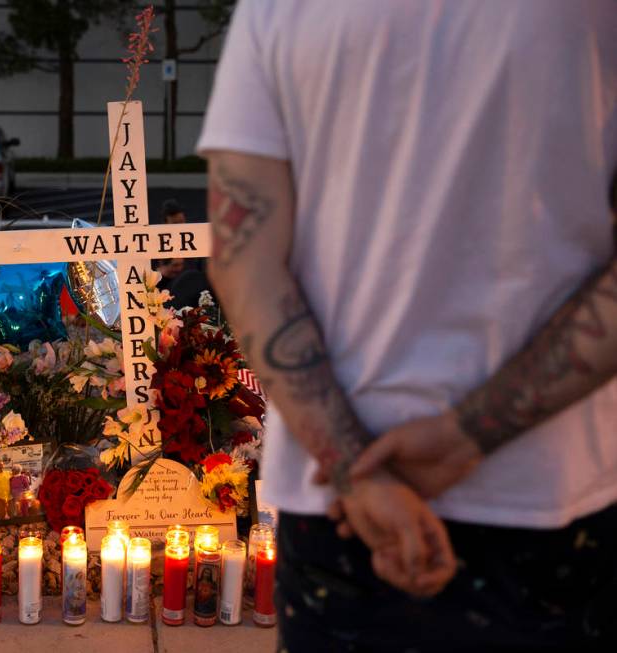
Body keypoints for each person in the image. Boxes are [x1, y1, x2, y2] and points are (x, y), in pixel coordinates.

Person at [197, 2, 617, 651]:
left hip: (340, 502)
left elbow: (244, 255)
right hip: (550, 489)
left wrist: (354, 467)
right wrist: (464, 437)